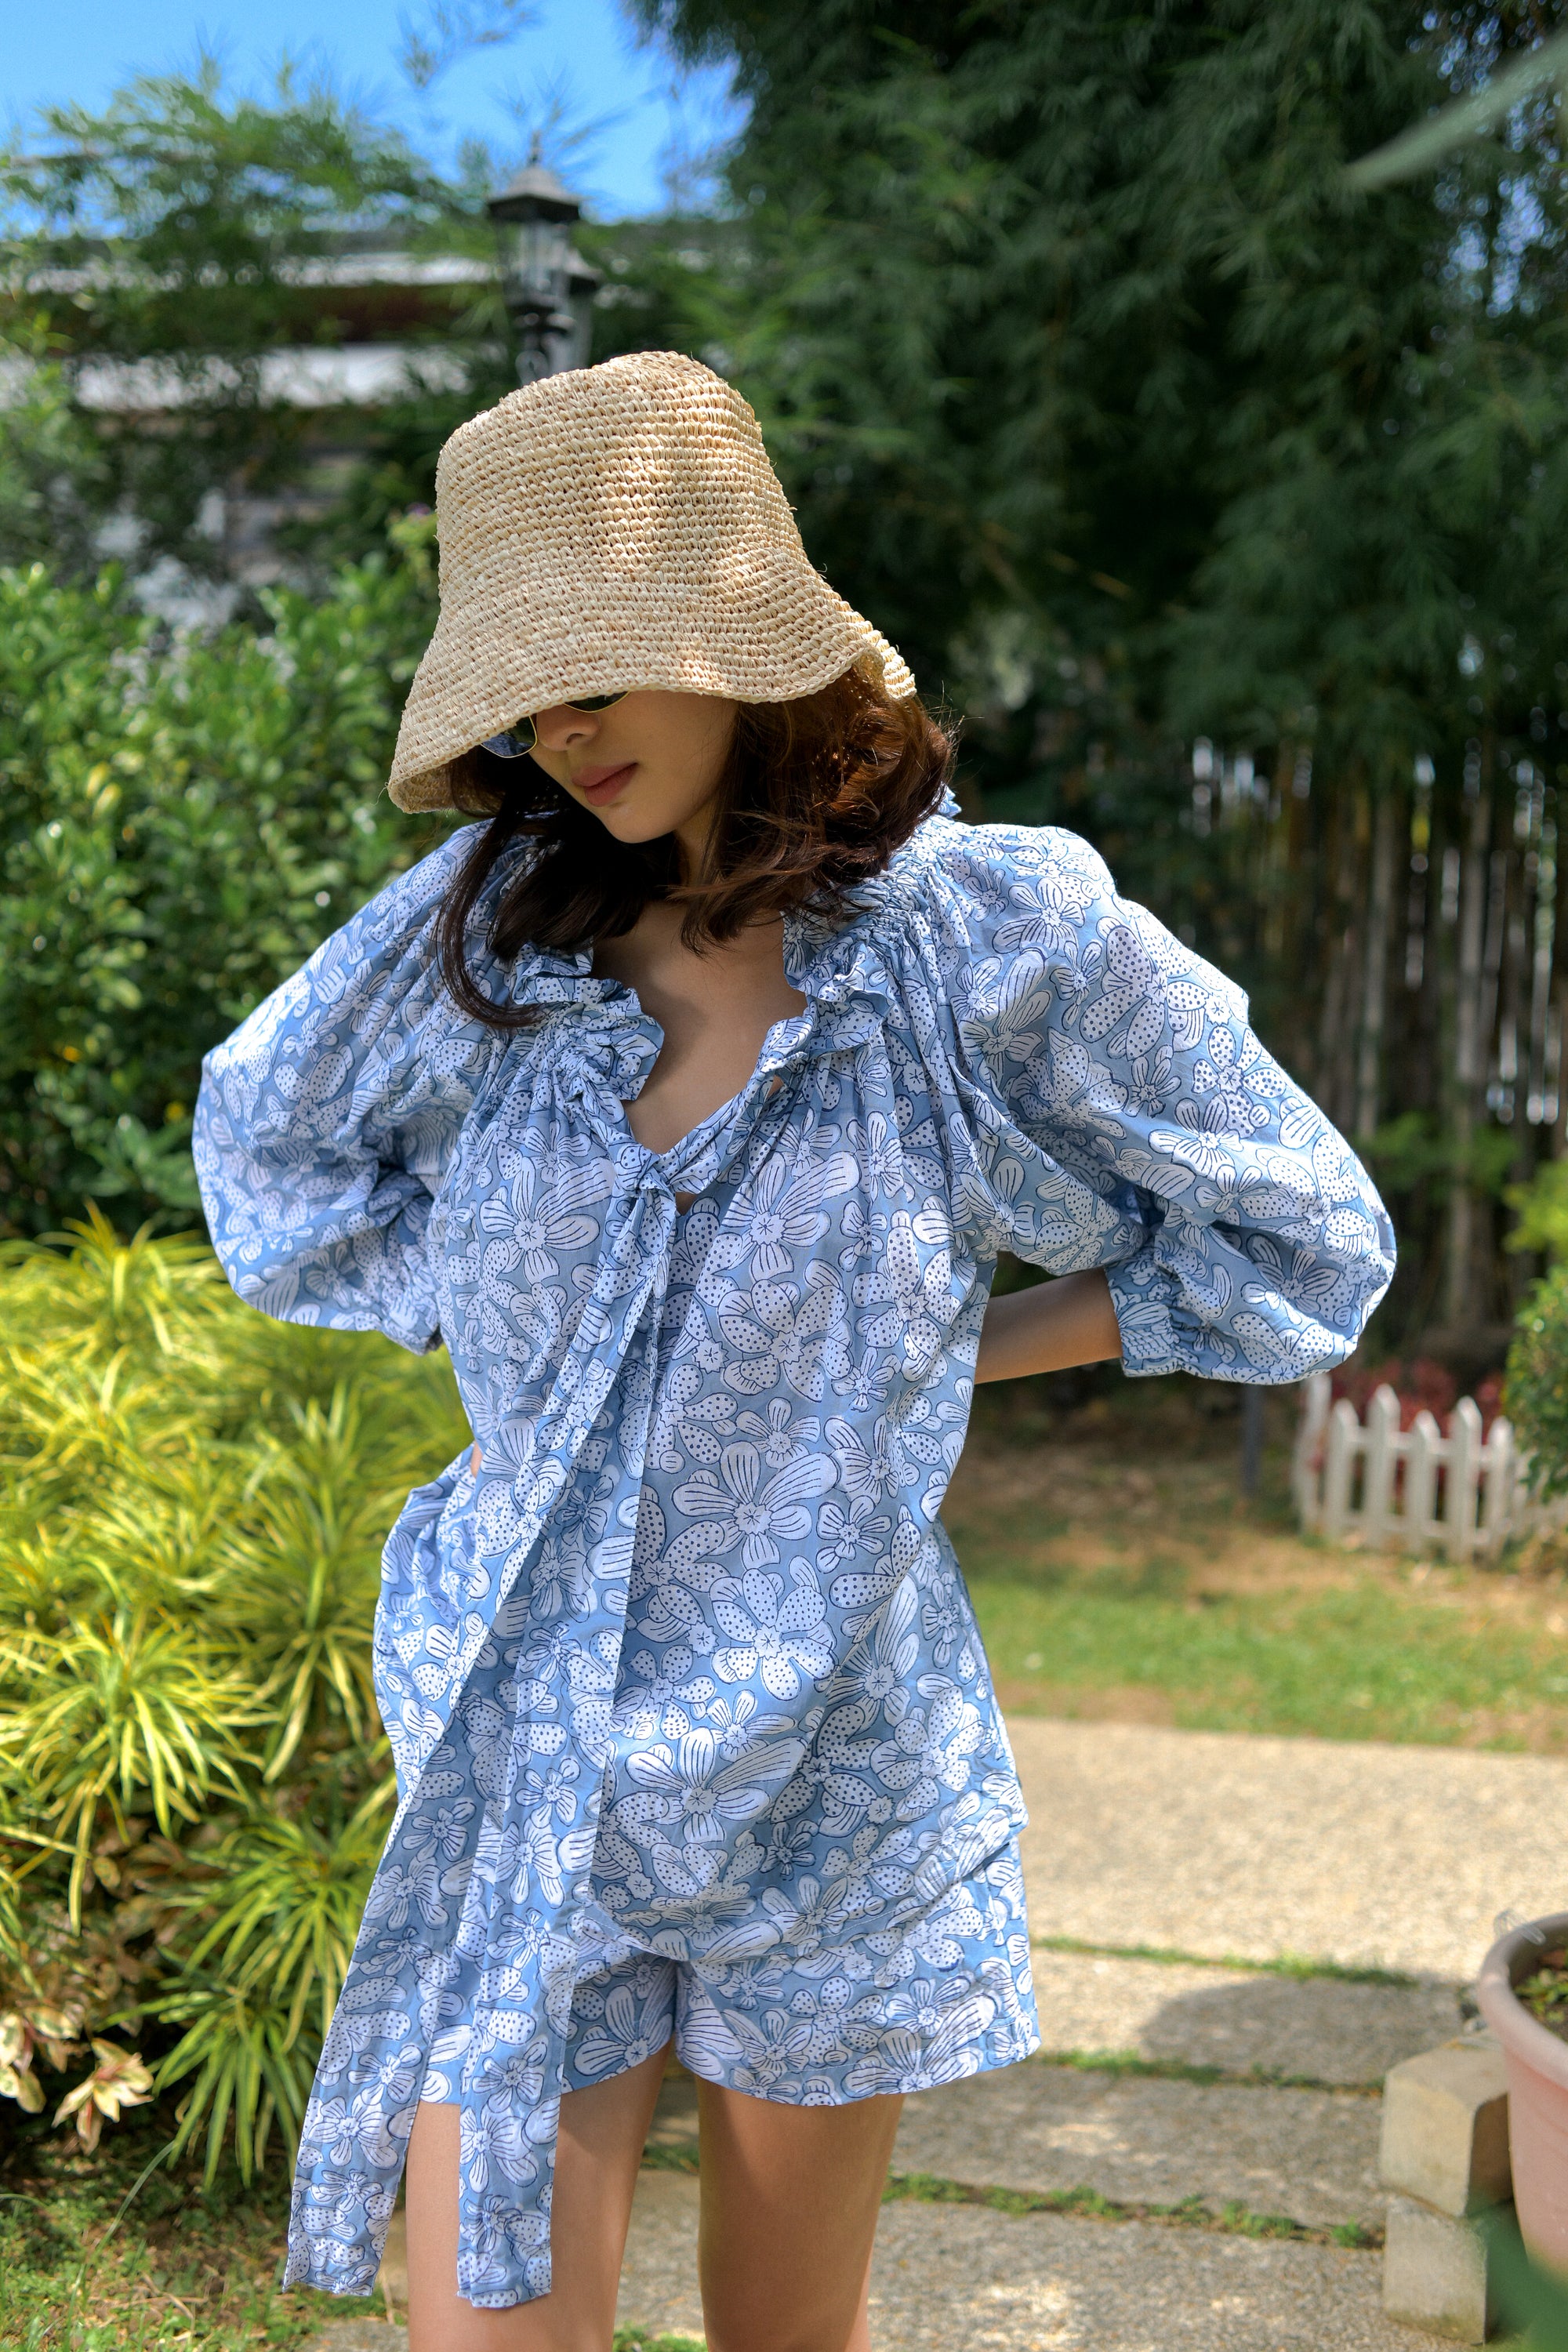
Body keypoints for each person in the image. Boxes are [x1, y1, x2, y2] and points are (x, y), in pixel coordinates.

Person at [194, 350, 1394, 2352]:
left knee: (786, 2342)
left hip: (831, 1767)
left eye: (600, 666)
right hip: (526, 1761)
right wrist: (517, 1313)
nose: (562, 730)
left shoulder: (972, 944)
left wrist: (926, 1353)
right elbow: (267, 1145)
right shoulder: (475, 940)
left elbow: (1297, 1234)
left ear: (730, 633)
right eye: (525, 689)